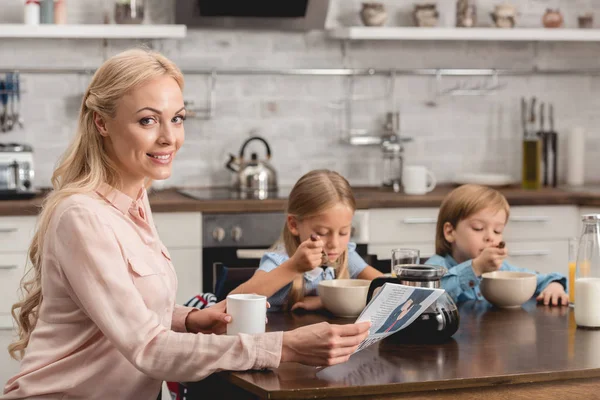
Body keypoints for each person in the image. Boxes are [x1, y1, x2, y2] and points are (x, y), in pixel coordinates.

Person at [2, 49, 370, 400]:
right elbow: (148, 348)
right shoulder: (82, 217)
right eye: (147, 120)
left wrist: (189, 320)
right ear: (101, 122)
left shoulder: (135, 201)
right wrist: (284, 346)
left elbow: (128, 309)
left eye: (176, 118)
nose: (169, 137)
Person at [230, 169, 382, 311]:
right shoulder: (280, 261)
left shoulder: (345, 256)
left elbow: (387, 288)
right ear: (294, 224)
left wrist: (325, 301)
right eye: (322, 232)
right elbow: (233, 301)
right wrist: (293, 267)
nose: (335, 244)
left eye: (344, 232)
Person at [425, 184, 568, 306]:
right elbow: (428, 298)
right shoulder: (435, 267)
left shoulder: (501, 269)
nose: (490, 237)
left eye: (497, 231)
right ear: (450, 232)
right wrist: (476, 268)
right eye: (478, 228)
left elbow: (540, 279)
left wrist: (554, 286)